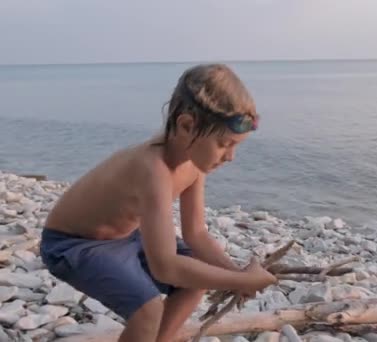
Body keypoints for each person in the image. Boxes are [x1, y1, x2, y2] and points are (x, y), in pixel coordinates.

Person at [40, 64, 277, 342]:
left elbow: (197, 234)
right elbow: (164, 267)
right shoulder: (152, 170)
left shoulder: (192, 164)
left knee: (194, 281)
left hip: (126, 237)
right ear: (187, 125)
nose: (230, 156)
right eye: (225, 144)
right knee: (148, 311)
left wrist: (235, 274)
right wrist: (241, 281)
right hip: (74, 245)